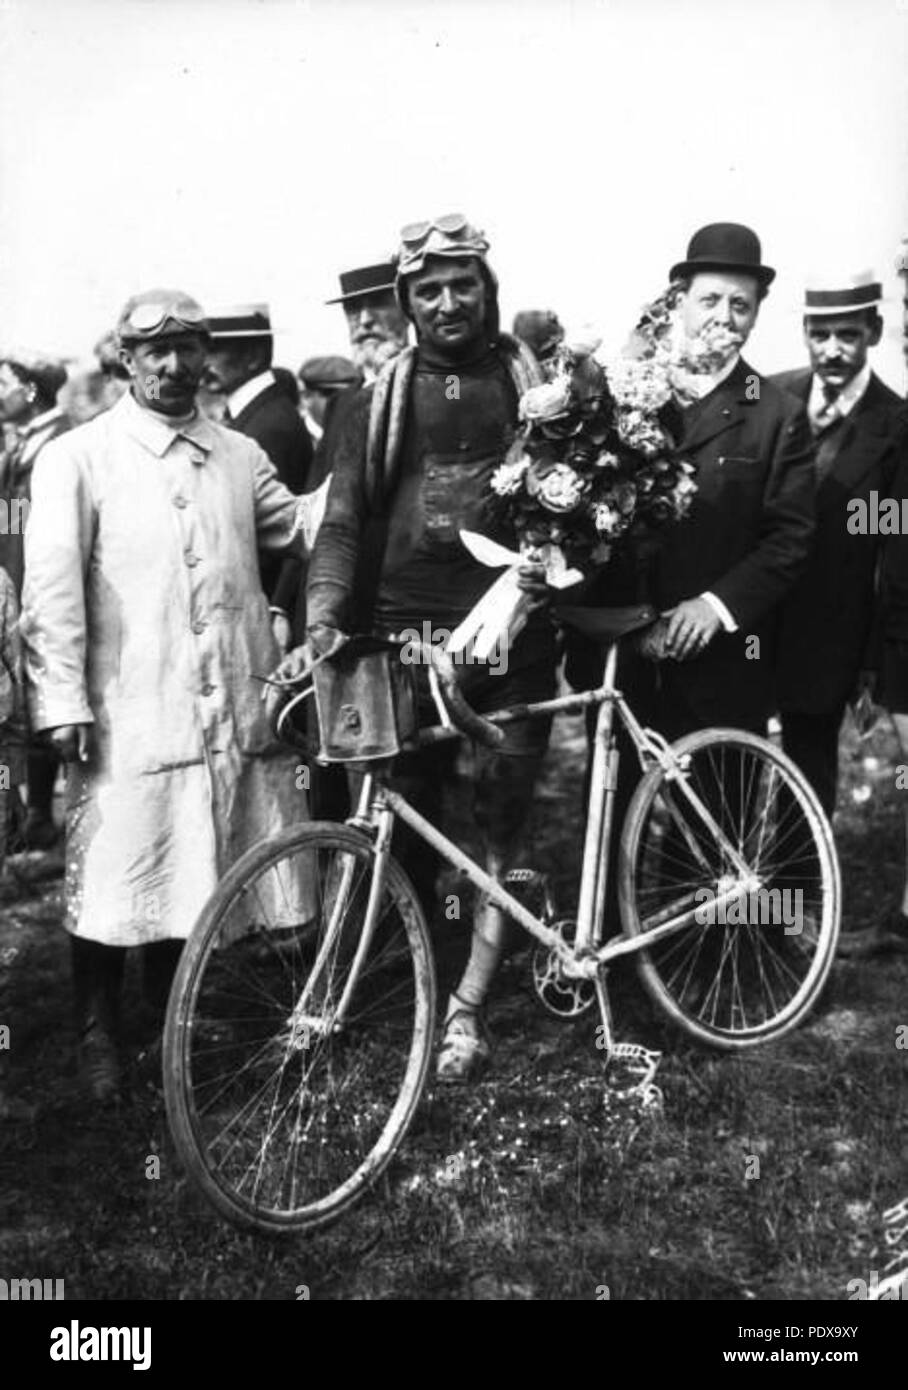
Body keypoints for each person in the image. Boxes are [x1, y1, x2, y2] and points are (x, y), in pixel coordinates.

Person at [20, 288, 314, 1102]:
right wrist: (63, 704)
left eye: (190, 349)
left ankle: (166, 1017)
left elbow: (296, 528)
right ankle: (96, 1030)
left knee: (190, 861)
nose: (176, 366)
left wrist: (367, 485)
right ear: (125, 357)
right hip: (127, 704)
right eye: (156, 352)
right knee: (114, 869)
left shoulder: (235, 453)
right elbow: (51, 593)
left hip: (225, 696)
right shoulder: (78, 457)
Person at [301, 214, 553, 1081]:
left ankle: (469, 1008)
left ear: (490, 291)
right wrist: (326, 617)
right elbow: (340, 525)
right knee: (396, 809)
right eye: (429, 290)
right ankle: (392, 974)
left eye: (464, 285)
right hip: (403, 643)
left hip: (513, 638)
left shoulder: (537, 390)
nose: (449, 303)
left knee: (500, 821)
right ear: (408, 302)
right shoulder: (373, 404)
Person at [619, 223, 815, 740]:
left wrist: (715, 605)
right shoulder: (627, 391)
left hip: (720, 669)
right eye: (709, 300)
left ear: (755, 314)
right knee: (608, 817)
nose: (723, 317)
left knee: (716, 817)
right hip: (626, 663)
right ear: (679, 301)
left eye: (740, 305)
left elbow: (789, 541)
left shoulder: (776, 414)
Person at [773, 272, 904, 823]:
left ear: (873, 331)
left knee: (806, 769)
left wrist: (873, 661)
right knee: (723, 754)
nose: (832, 350)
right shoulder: (771, 394)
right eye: (819, 334)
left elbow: (894, 554)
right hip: (752, 619)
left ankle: (798, 899)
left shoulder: (897, 425)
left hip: (829, 633)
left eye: (847, 335)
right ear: (804, 330)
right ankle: (716, 896)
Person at [0, 350, 71, 849]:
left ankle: (43, 814)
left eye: (4, 383)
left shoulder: (63, 442)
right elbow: (10, 521)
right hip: (15, 581)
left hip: (44, 584)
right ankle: (28, 814)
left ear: (31, 391)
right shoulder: (20, 445)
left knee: (45, 693)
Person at [326, 261, 410, 382]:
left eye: (378, 303)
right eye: (353, 308)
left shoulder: (442, 381)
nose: (364, 320)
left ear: (406, 309)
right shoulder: (341, 400)